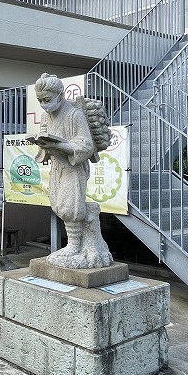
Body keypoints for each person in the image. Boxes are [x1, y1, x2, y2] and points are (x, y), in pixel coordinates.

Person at [31, 73, 112, 268]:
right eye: (40, 100)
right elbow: (45, 139)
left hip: (73, 168)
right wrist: (43, 144)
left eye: (47, 100)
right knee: (58, 203)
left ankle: (75, 245)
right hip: (57, 166)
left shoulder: (75, 115)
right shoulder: (45, 116)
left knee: (70, 206)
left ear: (60, 94)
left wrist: (62, 146)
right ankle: (74, 244)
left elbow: (85, 145)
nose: (44, 104)